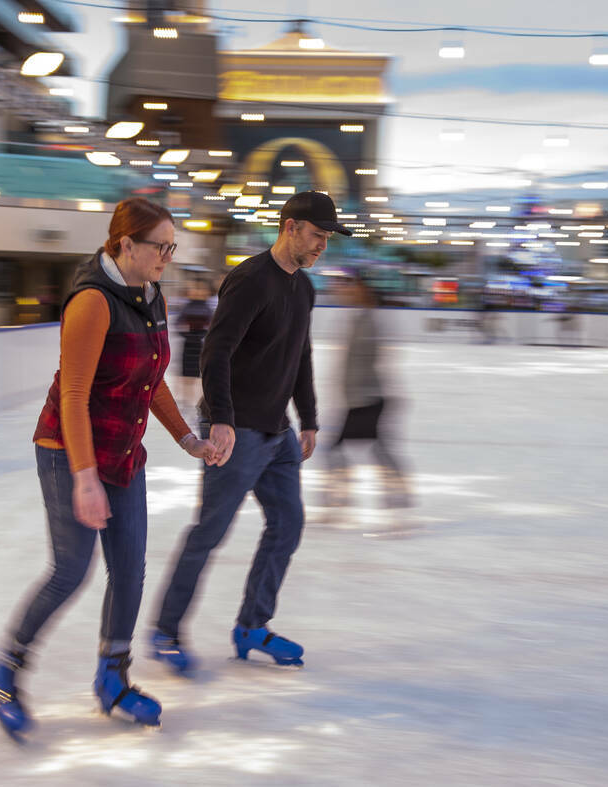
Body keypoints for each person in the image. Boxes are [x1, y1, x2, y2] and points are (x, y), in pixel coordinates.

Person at [0, 198, 216, 735]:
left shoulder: (152, 295)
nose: (168, 258)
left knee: (130, 571)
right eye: (161, 247)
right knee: (70, 570)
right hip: (69, 451)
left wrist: (187, 439)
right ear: (125, 245)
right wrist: (85, 477)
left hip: (123, 452)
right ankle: (3, 673)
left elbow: (151, 384)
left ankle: (113, 678)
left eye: (172, 248)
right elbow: (75, 397)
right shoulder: (92, 302)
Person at [149, 191, 351, 673]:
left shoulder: (304, 289)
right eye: (318, 235)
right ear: (291, 227)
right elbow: (215, 351)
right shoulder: (249, 279)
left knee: (288, 525)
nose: (323, 245)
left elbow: (300, 354)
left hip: (277, 431)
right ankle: (165, 631)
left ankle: (251, 627)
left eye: (327, 238)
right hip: (235, 429)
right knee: (210, 532)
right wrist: (220, 417)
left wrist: (310, 418)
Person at [321, 269, 412, 514]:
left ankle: (339, 499)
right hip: (360, 399)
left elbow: (370, 359)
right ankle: (397, 495)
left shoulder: (369, 319)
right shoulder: (360, 317)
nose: (344, 291)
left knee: (337, 450)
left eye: (351, 286)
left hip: (366, 399)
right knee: (376, 449)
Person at [175, 278, 213, 424]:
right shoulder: (187, 306)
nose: (197, 292)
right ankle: (187, 404)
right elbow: (178, 323)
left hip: (200, 345)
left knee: (199, 377)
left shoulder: (207, 307)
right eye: (195, 289)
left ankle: (198, 403)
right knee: (186, 376)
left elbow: (212, 324)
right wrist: (186, 335)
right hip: (188, 343)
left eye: (200, 289)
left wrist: (203, 335)